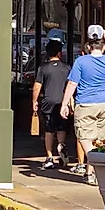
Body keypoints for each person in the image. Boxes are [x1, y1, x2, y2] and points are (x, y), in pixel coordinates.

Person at [65, 27, 105, 177]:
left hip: (85, 104)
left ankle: (95, 164)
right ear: (103, 46)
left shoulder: (81, 61)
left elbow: (72, 84)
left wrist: (64, 104)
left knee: (84, 138)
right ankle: (91, 172)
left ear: (89, 46)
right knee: (100, 139)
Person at [30, 39, 73, 170]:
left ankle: (49, 157)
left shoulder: (43, 68)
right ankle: (61, 147)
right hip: (62, 102)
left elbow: (37, 86)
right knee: (61, 128)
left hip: (48, 102)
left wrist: (34, 101)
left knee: (49, 130)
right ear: (60, 53)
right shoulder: (67, 68)